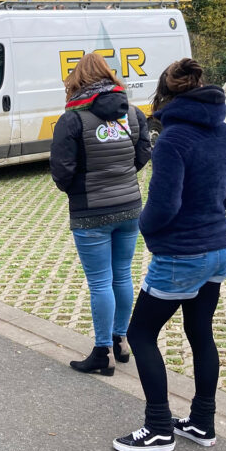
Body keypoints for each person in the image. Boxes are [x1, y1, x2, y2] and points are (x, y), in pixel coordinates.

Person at [112, 58, 226, 451]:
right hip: (219, 250)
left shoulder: (172, 139)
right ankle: (202, 423)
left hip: (180, 255)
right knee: (200, 332)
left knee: (139, 333)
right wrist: (206, 210)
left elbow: (163, 205)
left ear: (165, 94)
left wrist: (146, 228)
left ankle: (158, 428)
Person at [50, 53, 151, 376]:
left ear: (77, 82)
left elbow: (61, 170)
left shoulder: (72, 120)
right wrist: (121, 175)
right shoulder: (132, 114)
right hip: (130, 208)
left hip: (90, 212)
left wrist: (79, 188)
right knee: (122, 275)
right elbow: (143, 153)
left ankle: (101, 351)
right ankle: (121, 340)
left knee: (99, 282)